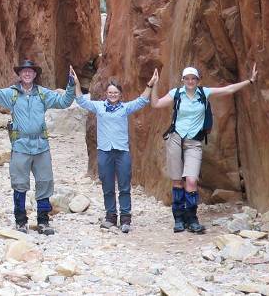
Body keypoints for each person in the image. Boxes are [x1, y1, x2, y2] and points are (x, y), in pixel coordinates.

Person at [0, 55, 76, 235]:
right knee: (20, 184)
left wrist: (71, 84)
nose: (27, 74)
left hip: (41, 145)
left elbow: (64, 102)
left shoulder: (43, 94)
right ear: (20, 74)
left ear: (35, 74)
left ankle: (43, 221)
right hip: (20, 146)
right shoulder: (11, 94)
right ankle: (21, 221)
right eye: (24, 71)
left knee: (44, 183)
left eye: (30, 71)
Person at [151, 64, 258, 233]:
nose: (190, 81)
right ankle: (179, 218)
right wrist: (154, 84)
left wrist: (250, 81)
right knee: (177, 180)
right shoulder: (176, 93)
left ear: (198, 80)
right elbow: (156, 104)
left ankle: (192, 218)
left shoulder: (204, 92)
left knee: (191, 180)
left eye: (193, 78)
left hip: (194, 141)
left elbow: (228, 90)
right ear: (183, 80)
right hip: (175, 138)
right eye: (187, 78)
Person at [72, 68, 159, 233]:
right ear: (106, 93)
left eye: (116, 92)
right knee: (108, 185)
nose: (113, 94)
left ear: (120, 94)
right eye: (110, 92)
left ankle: (125, 218)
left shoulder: (125, 108)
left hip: (121, 152)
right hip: (104, 151)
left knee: (125, 186)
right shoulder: (99, 107)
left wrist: (150, 84)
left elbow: (141, 101)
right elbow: (81, 101)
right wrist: (76, 83)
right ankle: (110, 216)